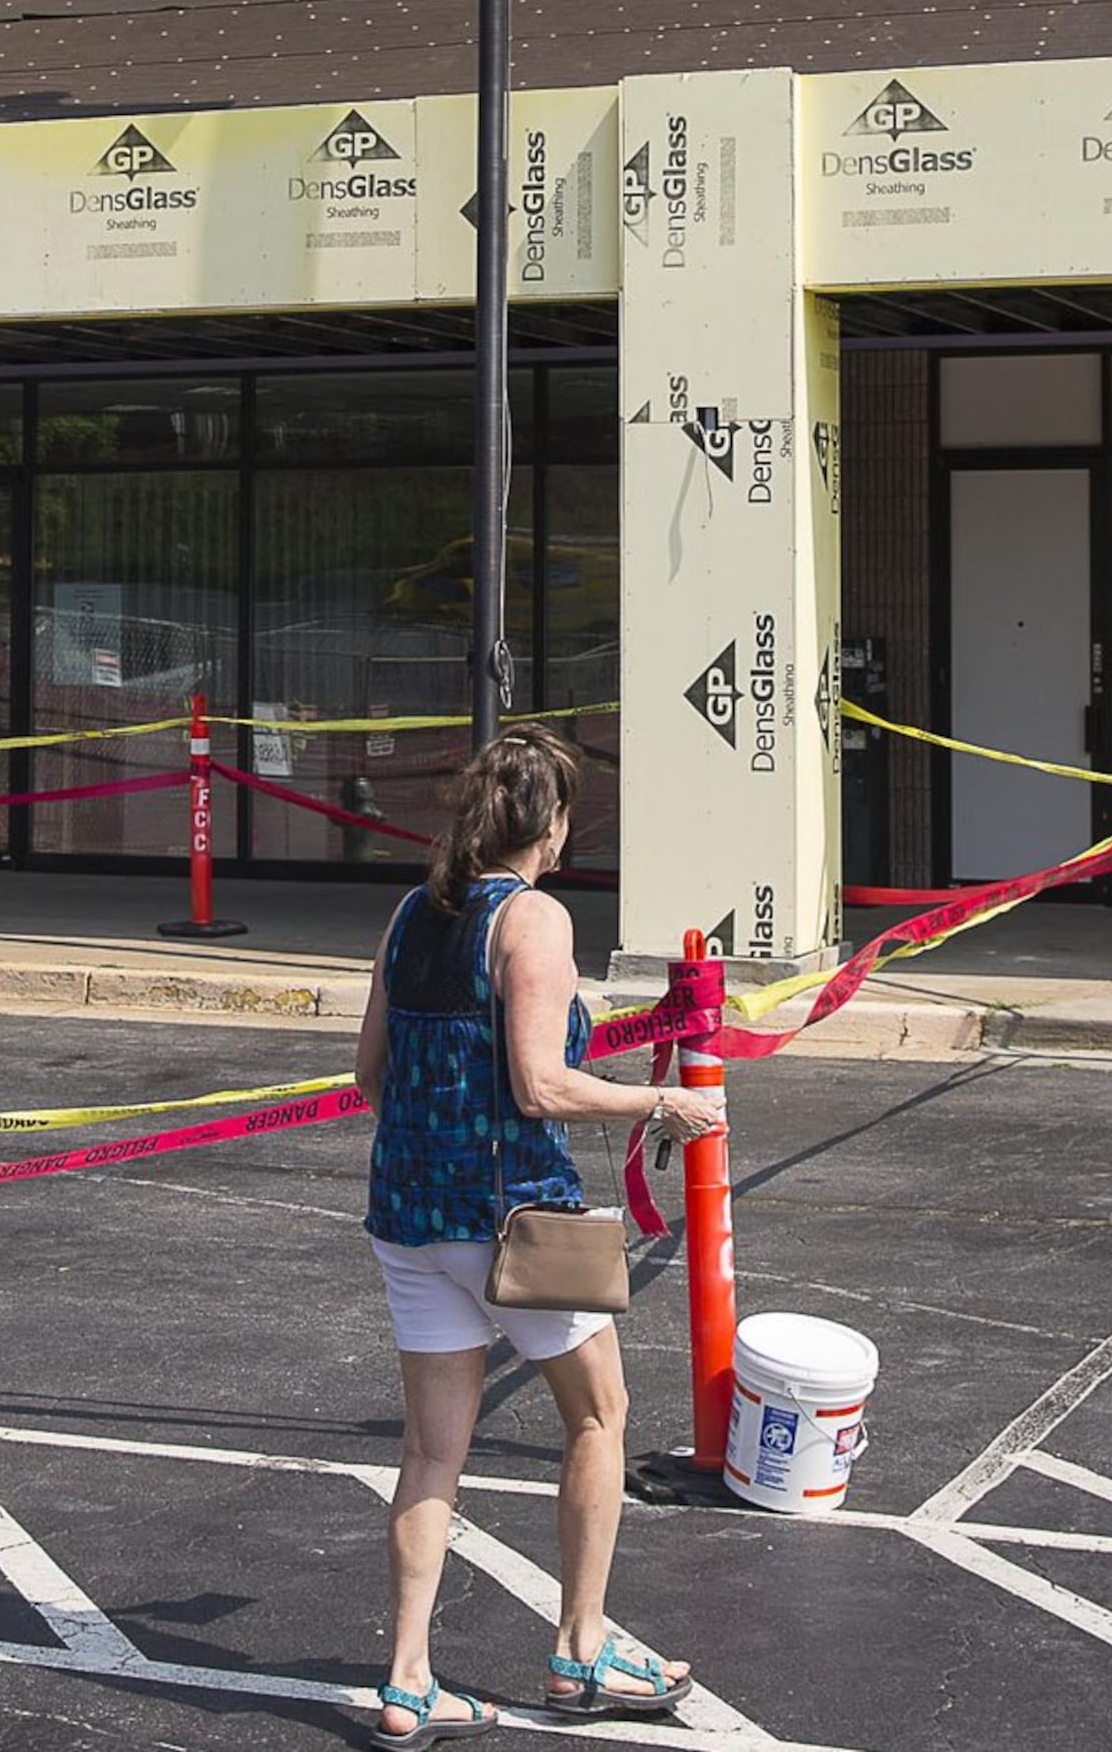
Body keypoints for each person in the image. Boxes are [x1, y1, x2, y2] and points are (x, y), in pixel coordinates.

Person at [352, 722, 726, 1740]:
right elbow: (542, 1084)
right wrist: (661, 1110)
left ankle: (407, 1680)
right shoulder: (534, 921)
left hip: (409, 1215)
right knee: (601, 1415)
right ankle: (581, 1644)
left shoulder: (410, 914)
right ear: (547, 825)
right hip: (514, 1216)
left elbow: (368, 1078)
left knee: (432, 1454)